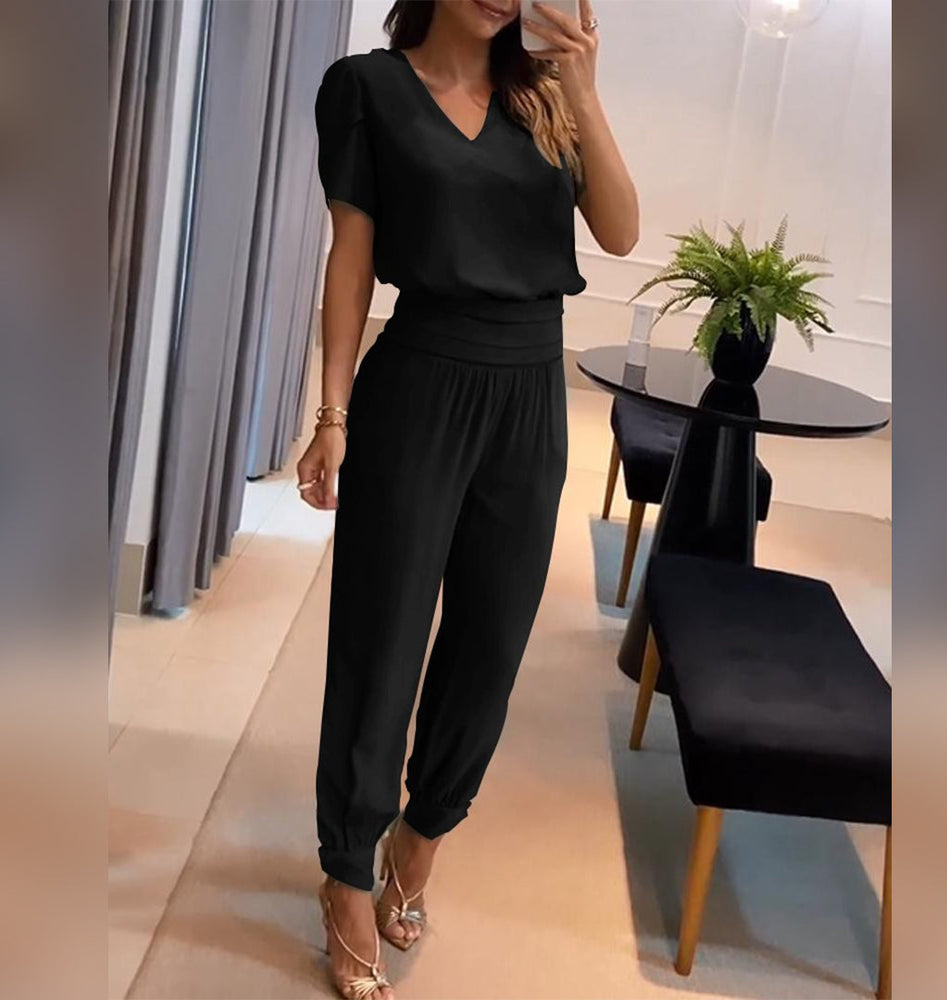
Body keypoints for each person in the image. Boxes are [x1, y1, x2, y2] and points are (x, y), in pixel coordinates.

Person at [299, 1, 638, 996]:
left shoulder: (543, 100)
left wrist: (584, 90)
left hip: (531, 390)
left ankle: (422, 834)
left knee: (491, 641)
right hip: (419, 380)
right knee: (382, 636)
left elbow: (621, 232)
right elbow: (352, 257)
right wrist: (332, 410)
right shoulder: (367, 89)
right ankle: (345, 874)